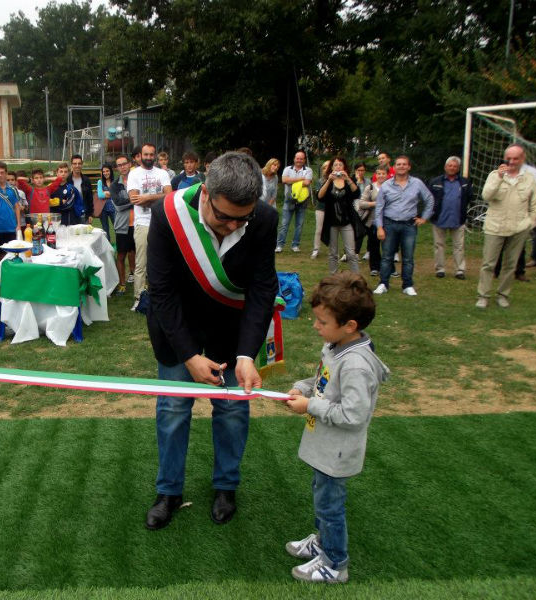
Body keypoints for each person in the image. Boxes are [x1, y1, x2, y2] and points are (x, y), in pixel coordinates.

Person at [144, 151, 278, 529]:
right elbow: (163, 291)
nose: (233, 225)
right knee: (172, 409)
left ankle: (226, 486)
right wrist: (188, 355)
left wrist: (247, 354)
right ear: (204, 193)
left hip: (231, 328)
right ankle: (168, 491)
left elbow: (263, 288)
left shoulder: (265, 219)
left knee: (233, 410)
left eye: (242, 218)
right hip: (177, 327)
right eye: (223, 216)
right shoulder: (167, 216)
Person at [284, 272, 389, 584]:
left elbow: (354, 414)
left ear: (350, 326)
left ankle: (334, 563)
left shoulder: (357, 364)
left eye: (322, 321)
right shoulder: (335, 346)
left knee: (330, 506)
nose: (315, 326)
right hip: (325, 444)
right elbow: (325, 383)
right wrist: (304, 389)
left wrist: (310, 406)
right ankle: (322, 542)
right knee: (322, 498)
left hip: (338, 451)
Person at [476, 144, 536, 308]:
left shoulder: (529, 179)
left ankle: (503, 295)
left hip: (519, 228)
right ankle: (483, 296)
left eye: (515, 158)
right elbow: (486, 195)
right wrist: (499, 177)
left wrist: (530, 223)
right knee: (488, 264)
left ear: (522, 159)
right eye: (508, 158)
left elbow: (535, 205)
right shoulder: (494, 175)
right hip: (495, 227)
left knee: (510, 264)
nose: (511, 162)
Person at [373, 156, 433, 296]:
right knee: (387, 256)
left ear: (409, 167)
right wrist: (380, 227)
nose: (401, 166)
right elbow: (379, 208)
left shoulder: (417, 183)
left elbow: (429, 199)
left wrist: (424, 218)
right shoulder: (386, 185)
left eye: (404, 164)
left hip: (409, 225)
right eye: (398, 164)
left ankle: (407, 285)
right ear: (394, 167)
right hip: (389, 224)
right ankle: (383, 283)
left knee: (408, 257)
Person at [127, 142, 173, 312]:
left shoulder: (162, 173)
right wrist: (157, 197)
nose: (148, 158)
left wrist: (146, 197)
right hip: (142, 223)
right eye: (145, 154)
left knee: (163, 261)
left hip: (161, 223)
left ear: (155, 155)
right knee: (141, 263)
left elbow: (170, 195)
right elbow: (134, 199)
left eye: (151, 154)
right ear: (141, 155)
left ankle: (161, 295)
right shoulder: (134, 174)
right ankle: (139, 298)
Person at [428, 156, 472, 279]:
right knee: (439, 245)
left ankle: (459, 270)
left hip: (458, 219)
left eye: (455, 166)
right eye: (450, 165)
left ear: (458, 168)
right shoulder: (435, 182)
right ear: (445, 167)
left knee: (459, 246)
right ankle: (440, 269)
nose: (452, 168)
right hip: (439, 218)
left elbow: (469, 197)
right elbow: (429, 198)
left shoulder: (464, 182)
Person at [318, 158, 360, 274]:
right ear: (331, 168)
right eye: (335, 165)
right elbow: (320, 197)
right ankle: (334, 277)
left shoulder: (348, 181)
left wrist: (348, 179)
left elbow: (357, 193)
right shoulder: (328, 181)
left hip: (347, 221)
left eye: (340, 165)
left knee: (351, 252)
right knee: (332, 253)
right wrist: (328, 181)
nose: (337, 167)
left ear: (344, 167)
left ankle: (355, 279)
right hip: (331, 223)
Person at [0, 162, 23, 261]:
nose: (0, 175)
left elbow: (17, 207)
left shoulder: (13, 189)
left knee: (14, 256)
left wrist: (18, 225)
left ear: (6, 173)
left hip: (12, 228)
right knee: (2, 258)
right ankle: (1, 277)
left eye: (2, 172)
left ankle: (13, 277)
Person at [110, 155, 136, 295]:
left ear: (130, 164)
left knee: (138, 254)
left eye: (124, 164)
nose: (122, 167)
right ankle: (122, 284)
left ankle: (139, 282)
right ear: (117, 167)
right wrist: (136, 200)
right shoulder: (114, 185)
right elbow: (119, 206)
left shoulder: (137, 180)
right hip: (122, 225)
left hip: (138, 224)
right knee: (121, 255)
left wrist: (131, 200)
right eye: (119, 165)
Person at [278, 150, 313, 253]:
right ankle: (279, 245)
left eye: (301, 158)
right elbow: (284, 180)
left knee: (299, 225)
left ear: (304, 160)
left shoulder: (309, 170)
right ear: (294, 159)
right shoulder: (287, 169)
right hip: (288, 200)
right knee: (284, 224)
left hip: (302, 201)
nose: (299, 160)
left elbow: (307, 182)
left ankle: (295, 245)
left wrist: (292, 180)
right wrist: (301, 178)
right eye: (297, 158)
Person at [356, 167, 386, 275]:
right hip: (372, 221)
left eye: (383, 173)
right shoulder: (370, 188)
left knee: (388, 246)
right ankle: (374, 267)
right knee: (374, 246)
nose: (381, 175)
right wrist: (374, 204)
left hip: (388, 221)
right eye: (379, 173)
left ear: (386, 175)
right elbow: (362, 203)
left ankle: (389, 268)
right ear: (375, 175)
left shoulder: (391, 187)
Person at [311, 160, 331, 260]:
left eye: (328, 167)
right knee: (319, 229)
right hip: (321, 208)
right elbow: (319, 196)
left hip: (332, 209)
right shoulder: (320, 181)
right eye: (324, 167)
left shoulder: (336, 180)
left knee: (333, 230)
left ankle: (332, 250)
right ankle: (316, 249)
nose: (326, 169)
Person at [68, 155, 93, 223]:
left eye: (79, 163)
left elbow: (90, 199)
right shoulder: (67, 180)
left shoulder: (86, 180)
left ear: (82, 164)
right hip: (70, 215)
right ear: (71, 165)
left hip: (84, 214)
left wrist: (90, 214)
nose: (77, 165)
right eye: (75, 163)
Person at [95, 163, 116, 232]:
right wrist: (111, 194)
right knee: (105, 229)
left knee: (117, 228)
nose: (105, 173)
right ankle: (107, 243)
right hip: (103, 208)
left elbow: (118, 195)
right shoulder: (100, 182)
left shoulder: (115, 181)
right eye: (103, 171)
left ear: (110, 171)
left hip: (114, 208)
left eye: (107, 171)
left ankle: (120, 243)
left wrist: (106, 193)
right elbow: (100, 195)